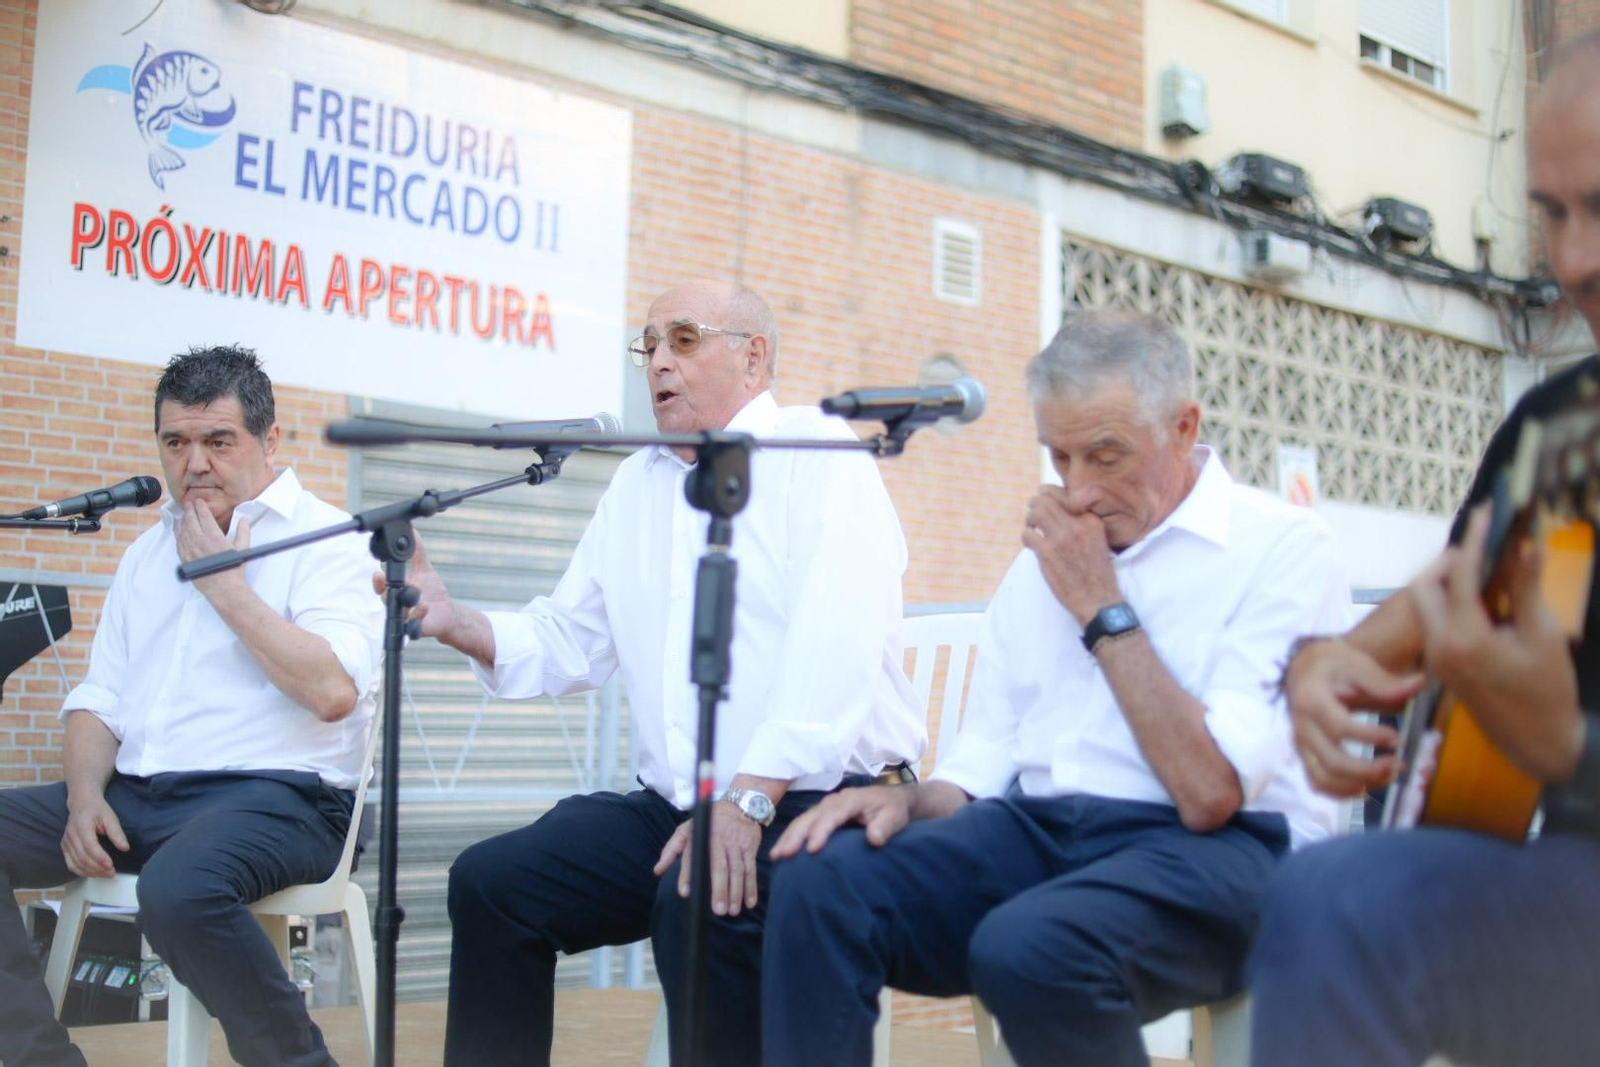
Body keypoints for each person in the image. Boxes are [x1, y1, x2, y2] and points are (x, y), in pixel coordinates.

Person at [758, 310, 1352, 1067]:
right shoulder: (1045, 561)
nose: (1079, 487)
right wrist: (909, 800)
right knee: (817, 881)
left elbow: (1210, 792)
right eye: (1060, 456)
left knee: (1032, 945)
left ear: (1183, 426)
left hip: (1228, 855)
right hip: (1045, 834)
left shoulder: (1281, 549)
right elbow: (992, 748)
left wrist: (1102, 606)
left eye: (1106, 455)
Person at [407, 279, 925, 1067]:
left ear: (753, 357)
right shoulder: (637, 482)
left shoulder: (815, 452)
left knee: (698, 894)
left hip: (820, 799)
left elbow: (836, 647)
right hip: (679, 805)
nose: (658, 362)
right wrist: (457, 621)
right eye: (648, 345)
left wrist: (748, 799)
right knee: (493, 883)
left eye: (684, 339)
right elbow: (570, 640)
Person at [1248, 35, 1600, 1066]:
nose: (1574, 260)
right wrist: (1323, 666)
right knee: (1337, 904)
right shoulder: (1564, 428)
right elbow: (1455, 594)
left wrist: (1569, 745)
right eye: (1552, 214)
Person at [0, 345, 384, 1067]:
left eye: (218, 441)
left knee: (178, 889)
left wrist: (220, 581)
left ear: (270, 440)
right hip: (143, 794)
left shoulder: (331, 540)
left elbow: (333, 691)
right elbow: (100, 700)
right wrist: (84, 797)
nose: (194, 463)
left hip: (285, 800)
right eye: (175, 442)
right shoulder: (145, 554)